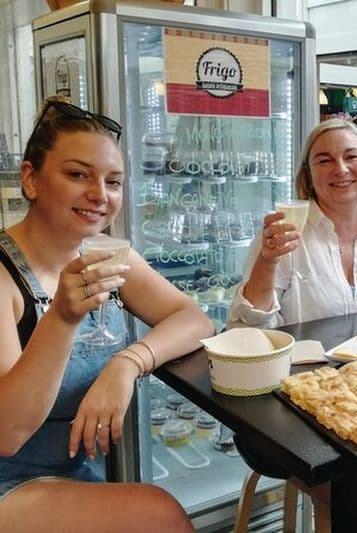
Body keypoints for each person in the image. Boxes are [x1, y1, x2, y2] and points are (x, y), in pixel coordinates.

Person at [0, 97, 214, 532]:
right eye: (78, 174)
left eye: (113, 181)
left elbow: (194, 318)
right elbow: (8, 432)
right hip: (10, 480)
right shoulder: (5, 277)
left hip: (74, 475)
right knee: (161, 517)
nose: (100, 195)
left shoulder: (107, 256)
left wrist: (127, 363)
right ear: (31, 179)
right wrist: (61, 319)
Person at [227, 118, 357, 528]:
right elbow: (244, 334)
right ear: (308, 176)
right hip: (288, 402)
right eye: (324, 160)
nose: (340, 169)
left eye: (351, 156)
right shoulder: (283, 237)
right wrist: (267, 263)